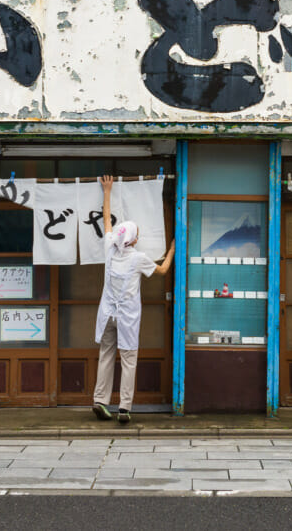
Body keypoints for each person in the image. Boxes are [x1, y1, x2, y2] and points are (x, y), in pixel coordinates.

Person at [92, 174, 174, 424]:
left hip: (107, 314)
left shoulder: (110, 249)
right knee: (128, 360)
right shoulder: (138, 258)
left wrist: (107, 191)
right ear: (134, 240)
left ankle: (100, 401)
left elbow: (106, 220)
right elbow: (161, 271)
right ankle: (125, 408)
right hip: (126, 318)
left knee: (106, 354)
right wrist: (171, 250)